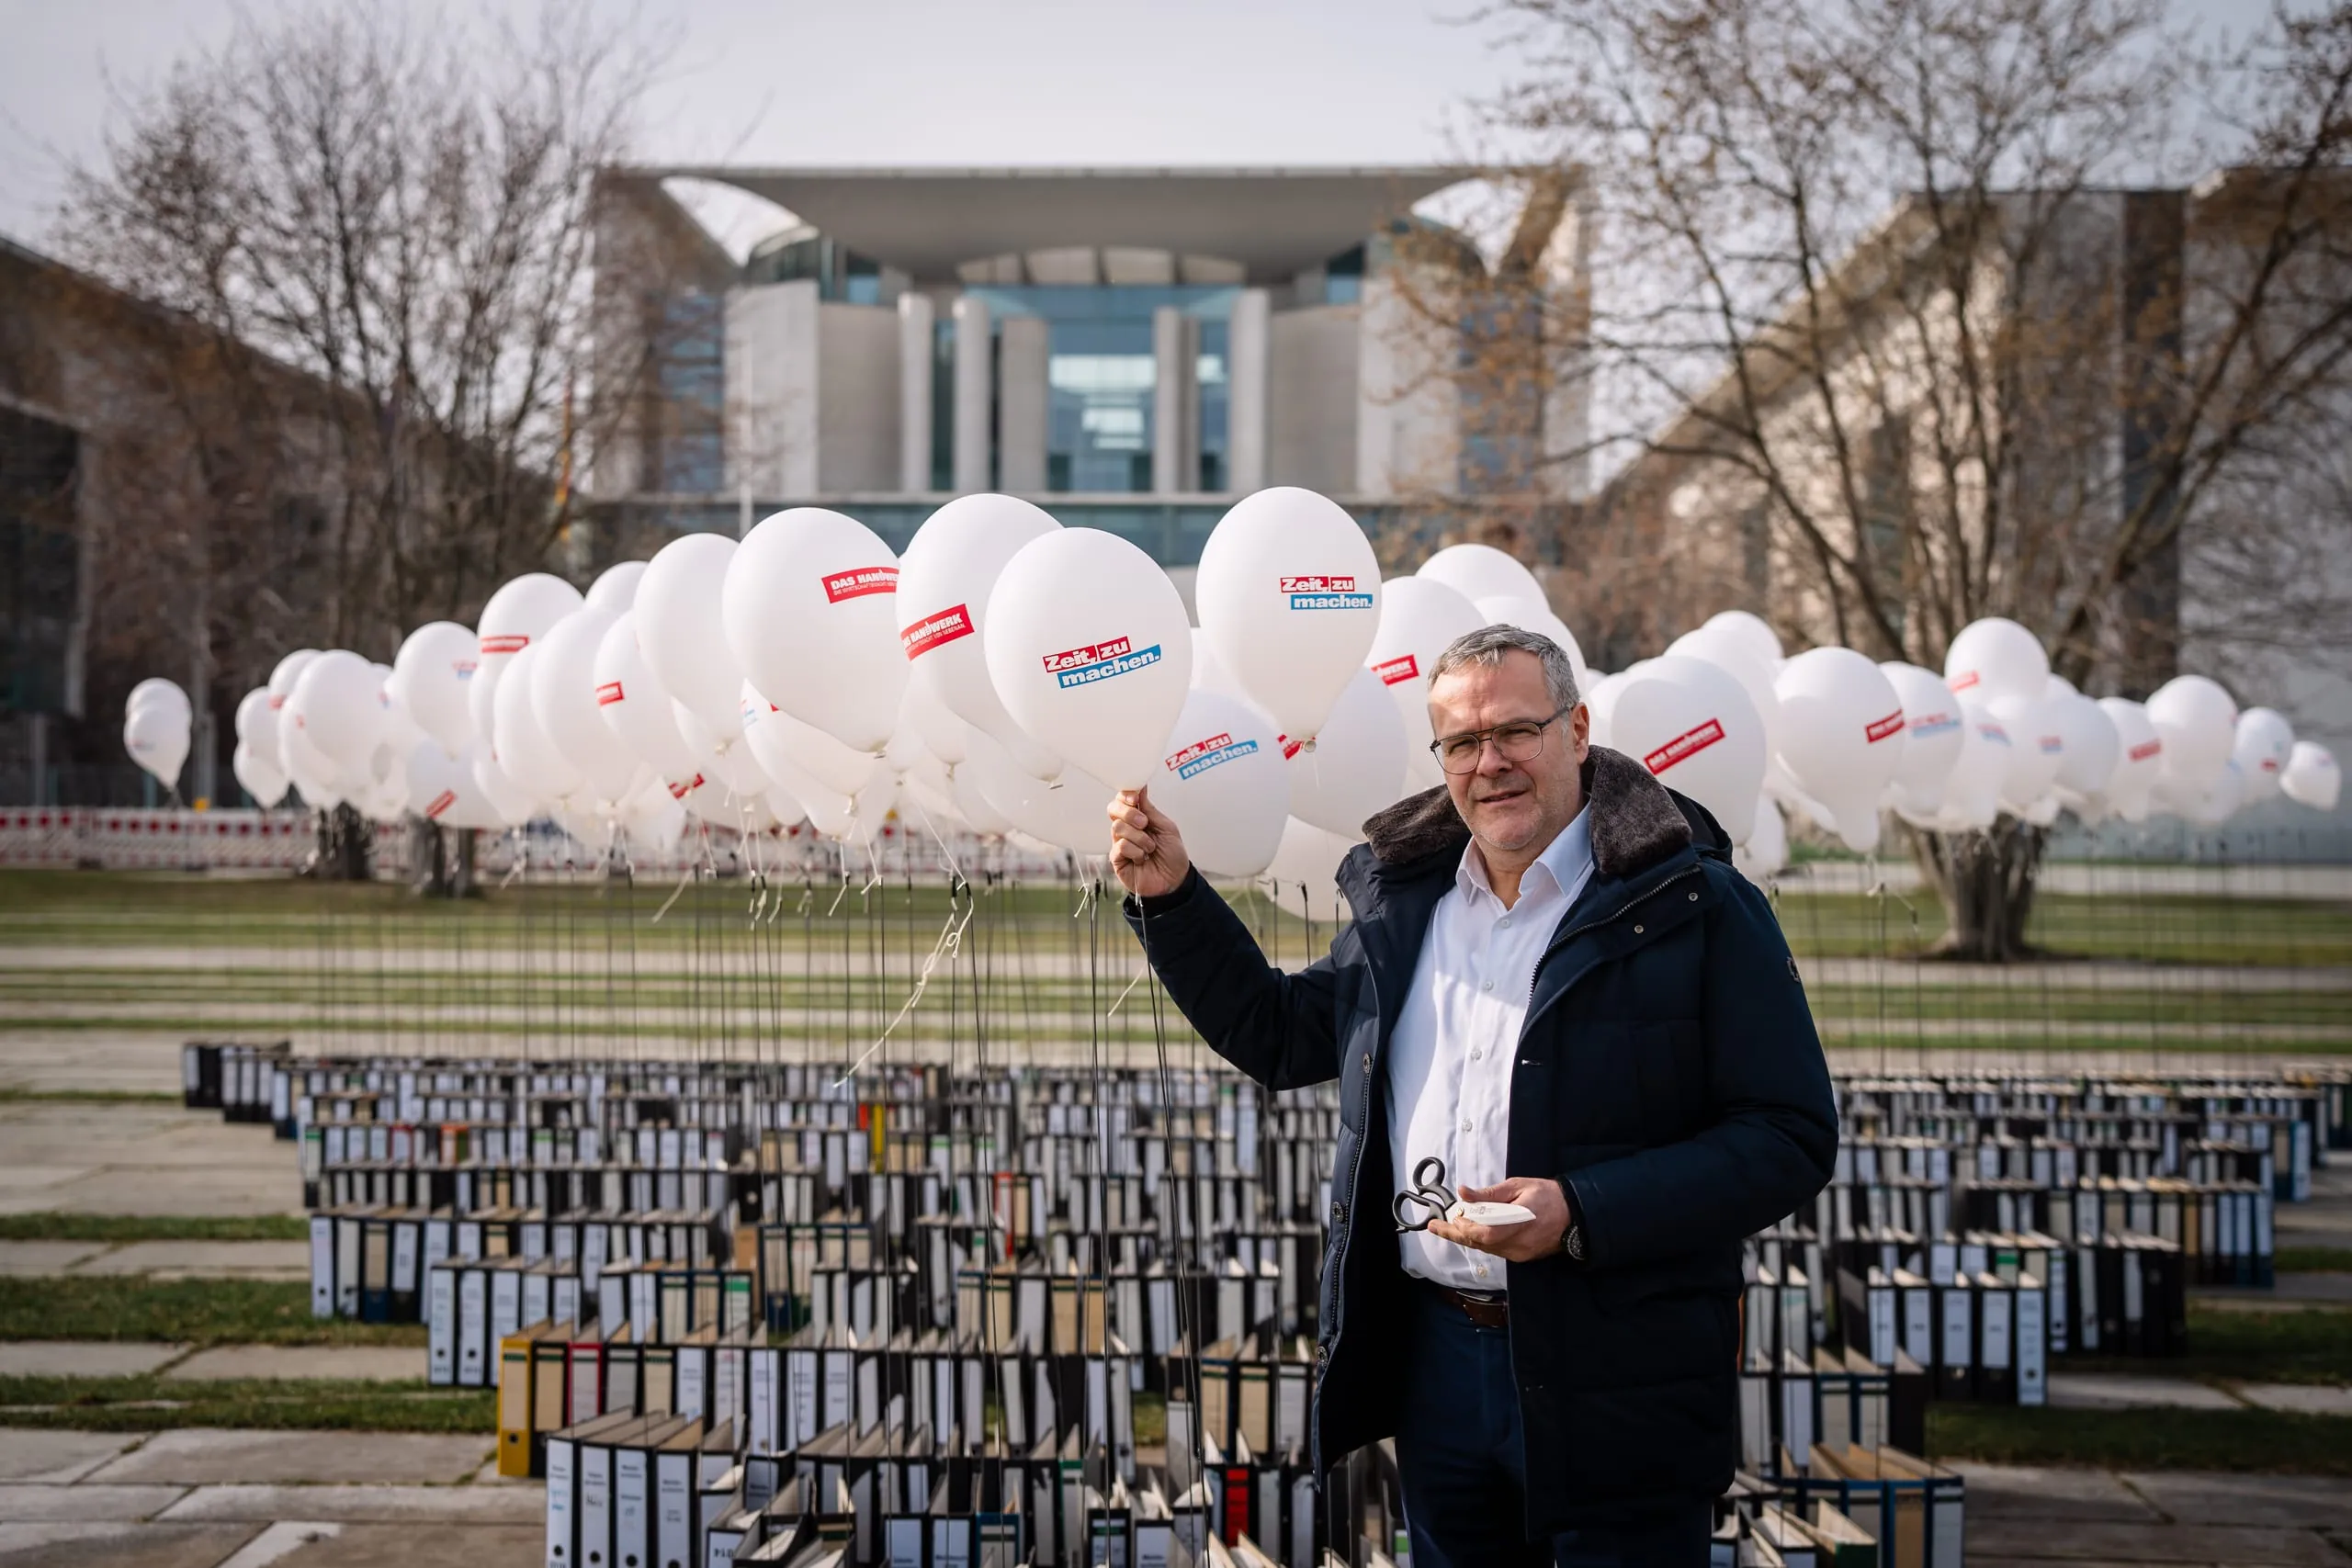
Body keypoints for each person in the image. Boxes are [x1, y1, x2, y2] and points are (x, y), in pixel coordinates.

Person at [1107, 624, 1837, 1567]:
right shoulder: (1406, 909)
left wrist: (1579, 1210)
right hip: (1439, 1368)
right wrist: (1172, 898)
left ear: (1576, 730)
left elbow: (1787, 1136)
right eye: (1460, 742)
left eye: (1515, 732)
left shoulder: (1694, 905)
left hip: (1622, 1374)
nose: (1489, 763)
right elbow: (1282, 1035)